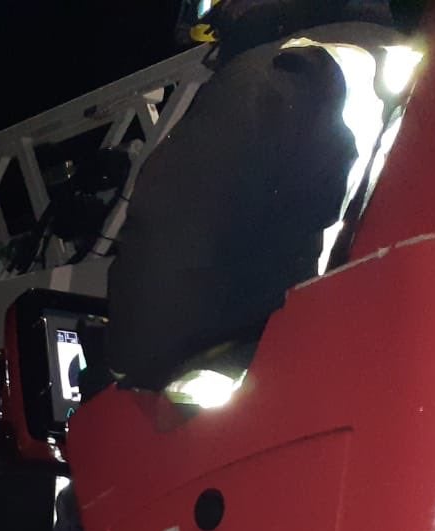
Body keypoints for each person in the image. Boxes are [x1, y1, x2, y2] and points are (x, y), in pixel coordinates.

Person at [107, 0, 401, 394]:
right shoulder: (427, 69)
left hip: (274, 392)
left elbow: (167, 252)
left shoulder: (273, 76)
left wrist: (127, 369)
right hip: (377, 373)